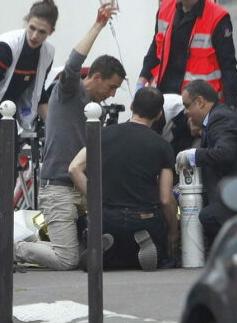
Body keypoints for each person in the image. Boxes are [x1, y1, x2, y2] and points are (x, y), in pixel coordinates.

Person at [14, 3, 123, 271]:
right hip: (59, 186)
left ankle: (83, 243)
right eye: (111, 87)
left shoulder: (95, 108)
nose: (112, 94)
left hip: (81, 184)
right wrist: (98, 24)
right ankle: (12, 246)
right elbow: (73, 65)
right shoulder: (70, 91)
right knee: (67, 260)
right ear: (96, 77)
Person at [69, 87, 179, 271]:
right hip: (146, 218)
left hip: (109, 217)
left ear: (132, 106)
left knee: (94, 226)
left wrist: (98, 198)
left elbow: (74, 168)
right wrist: (173, 233)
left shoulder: (103, 135)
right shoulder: (163, 145)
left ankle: (106, 253)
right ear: (159, 114)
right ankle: (147, 251)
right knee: (160, 251)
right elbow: (166, 199)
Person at [0, 0, 57, 213]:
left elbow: (40, 95)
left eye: (42, 32)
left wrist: (54, 130)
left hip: (5, 117)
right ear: (26, 22)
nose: (35, 36)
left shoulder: (47, 53)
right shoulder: (7, 47)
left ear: (51, 32)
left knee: (7, 178)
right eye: (32, 28)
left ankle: (3, 232)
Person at [176, 80, 237, 244]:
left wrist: (192, 155)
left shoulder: (220, 118)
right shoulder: (214, 119)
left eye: (187, 106)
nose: (186, 112)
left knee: (209, 216)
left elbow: (224, 153)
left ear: (200, 102)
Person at [139, 0, 237, 109]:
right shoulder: (166, 7)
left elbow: (228, 65)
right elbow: (155, 47)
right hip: (163, 95)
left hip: (197, 102)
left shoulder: (217, 18)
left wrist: (230, 105)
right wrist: (141, 82)